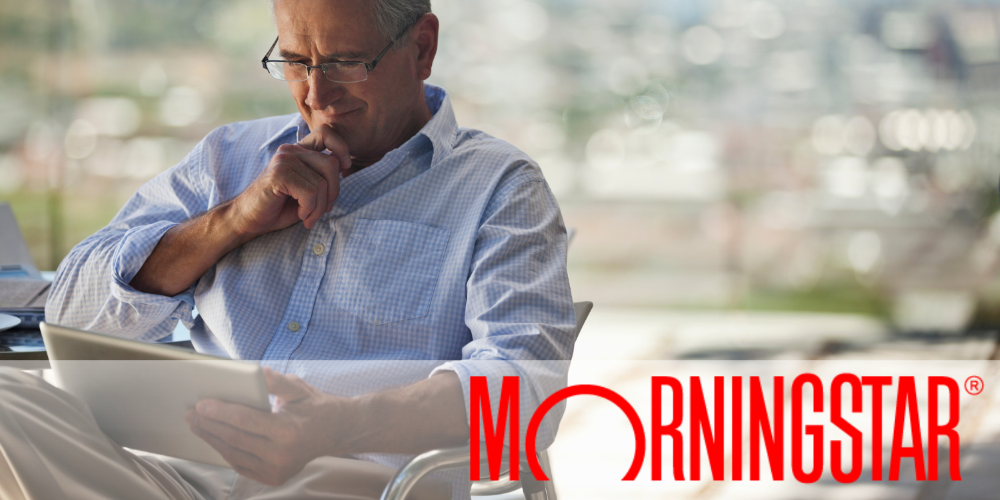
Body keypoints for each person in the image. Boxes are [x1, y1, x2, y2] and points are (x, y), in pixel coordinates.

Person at [1, 0, 575, 499]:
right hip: (170, 478)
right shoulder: (229, 157)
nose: (317, 94)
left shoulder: (499, 188)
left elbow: (528, 386)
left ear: (422, 47)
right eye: (297, 62)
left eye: (346, 62)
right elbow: (69, 310)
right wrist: (231, 222)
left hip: (355, 484)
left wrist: (339, 427)